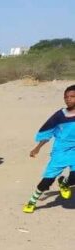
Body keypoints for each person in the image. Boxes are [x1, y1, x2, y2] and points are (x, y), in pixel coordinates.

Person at [22, 84, 75, 213]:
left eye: (72, 96)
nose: (68, 99)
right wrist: (37, 147)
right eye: (66, 97)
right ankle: (32, 201)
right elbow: (48, 132)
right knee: (48, 180)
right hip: (60, 151)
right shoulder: (59, 115)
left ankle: (65, 183)